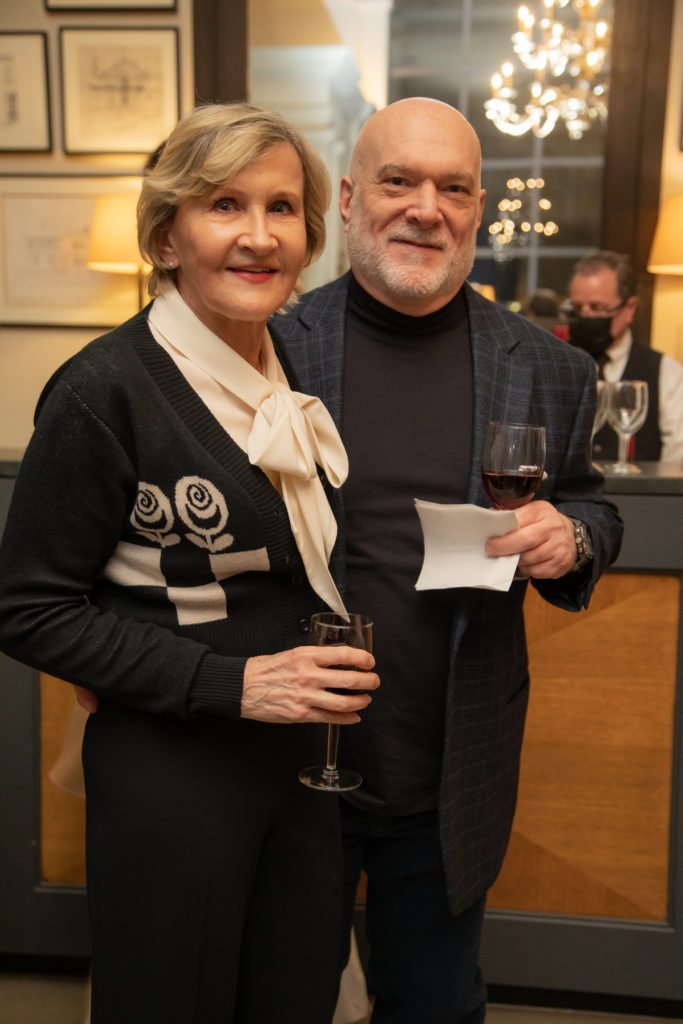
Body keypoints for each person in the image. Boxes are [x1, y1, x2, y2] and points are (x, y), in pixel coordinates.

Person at [0, 102, 379, 1024]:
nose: (258, 237)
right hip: (173, 773)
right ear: (167, 235)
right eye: (223, 205)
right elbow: (29, 608)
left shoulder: (285, 363)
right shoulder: (104, 391)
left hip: (295, 768)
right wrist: (236, 684)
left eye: (282, 208)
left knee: (289, 999)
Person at [271, 97, 624, 1023]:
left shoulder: (548, 367)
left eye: (453, 188)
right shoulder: (268, 343)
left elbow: (590, 501)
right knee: (277, 997)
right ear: (348, 199)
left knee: (434, 1004)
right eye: (398, 181)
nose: (425, 208)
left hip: (452, 760)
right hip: (287, 756)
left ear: (476, 210)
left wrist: (571, 536)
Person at [564, 250, 683, 464]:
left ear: (629, 308)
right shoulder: (554, 364)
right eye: (577, 308)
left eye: (597, 308)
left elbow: (677, 455)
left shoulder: (666, 372)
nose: (586, 316)